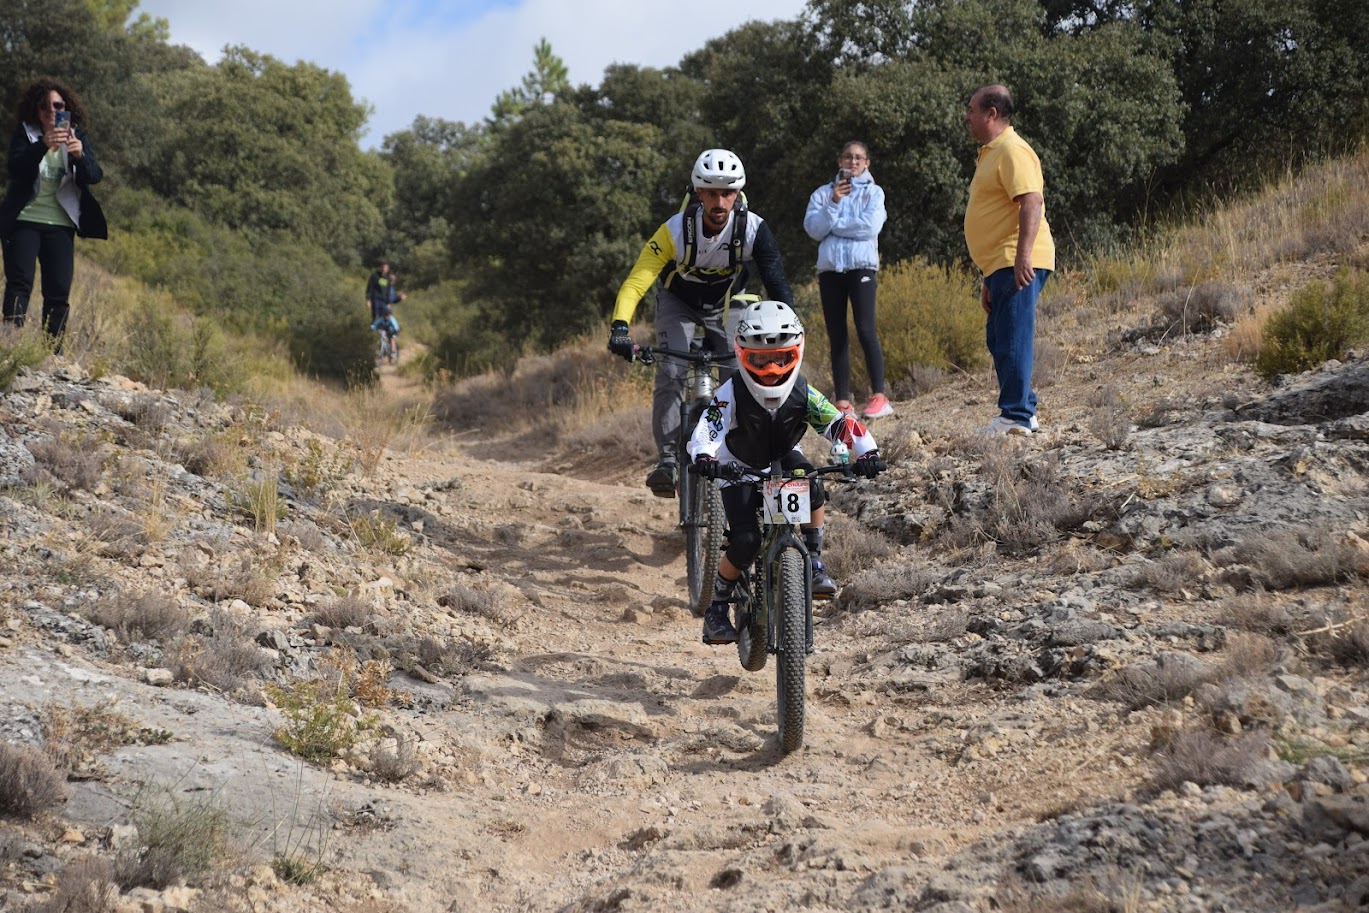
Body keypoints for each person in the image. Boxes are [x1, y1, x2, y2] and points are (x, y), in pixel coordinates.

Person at [686, 300, 885, 645]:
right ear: (743, 353)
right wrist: (704, 456)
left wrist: (867, 451)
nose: (772, 368)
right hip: (738, 466)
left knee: (814, 484)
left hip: (783, 455)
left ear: (796, 351)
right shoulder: (731, 391)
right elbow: (709, 427)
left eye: (781, 357)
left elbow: (838, 424)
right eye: (760, 359)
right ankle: (717, 607)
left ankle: (815, 560)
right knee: (746, 540)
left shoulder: (803, 391)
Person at [608, 148, 795, 498]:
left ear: (737, 193)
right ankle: (667, 461)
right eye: (711, 192)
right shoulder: (674, 231)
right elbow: (637, 281)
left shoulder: (753, 228)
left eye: (727, 192)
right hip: (676, 301)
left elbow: (776, 282)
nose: (719, 201)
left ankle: (746, 453)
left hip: (724, 304)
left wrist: (789, 323)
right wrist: (620, 326)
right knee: (672, 370)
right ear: (698, 193)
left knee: (743, 376)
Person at [963, 84, 1055, 435]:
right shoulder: (992, 152)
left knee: (1013, 335)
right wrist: (989, 276)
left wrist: (1022, 257)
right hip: (1001, 263)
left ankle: (1015, 415)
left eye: (972, 110)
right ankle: (1022, 411)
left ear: (992, 114)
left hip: (1018, 258)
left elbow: (1031, 201)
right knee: (999, 337)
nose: (967, 117)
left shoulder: (1013, 150)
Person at [0, 77, 107, 342]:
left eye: (58, 106)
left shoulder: (77, 137)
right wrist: (42, 145)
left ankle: (53, 354)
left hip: (60, 224)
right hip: (25, 220)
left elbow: (95, 176)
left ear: (67, 108)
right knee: (19, 284)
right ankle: (10, 347)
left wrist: (80, 156)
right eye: (45, 108)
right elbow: (15, 168)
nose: (53, 113)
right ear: (35, 111)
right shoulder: (26, 133)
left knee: (58, 291)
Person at [803, 140, 892, 420]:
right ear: (839, 161)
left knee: (866, 329)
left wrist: (834, 227)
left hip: (861, 267)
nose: (853, 162)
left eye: (858, 158)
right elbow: (814, 230)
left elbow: (870, 228)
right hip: (831, 271)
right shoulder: (822, 195)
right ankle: (842, 400)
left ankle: (879, 396)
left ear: (867, 163)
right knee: (837, 334)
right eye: (848, 158)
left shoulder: (874, 194)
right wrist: (835, 203)